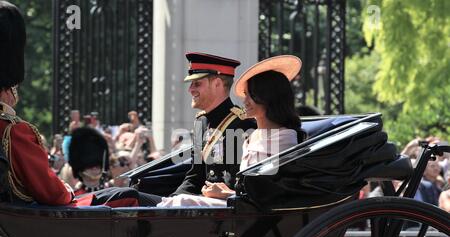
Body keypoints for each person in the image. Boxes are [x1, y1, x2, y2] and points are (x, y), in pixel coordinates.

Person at [0, 1, 158, 207]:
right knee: (128, 196)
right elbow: (54, 195)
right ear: (9, 89)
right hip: (50, 221)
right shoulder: (13, 131)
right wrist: (65, 188)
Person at [157, 55, 304, 207]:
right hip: (228, 202)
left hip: (243, 209)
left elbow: (264, 190)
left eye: (197, 83)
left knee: (178, 203)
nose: (245, 101)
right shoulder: (203, 122)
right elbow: (195, 176)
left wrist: (226, 194)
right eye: (246, 95)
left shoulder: (243, 126)